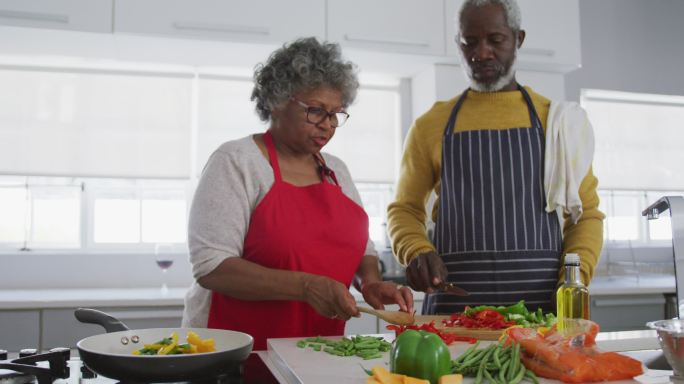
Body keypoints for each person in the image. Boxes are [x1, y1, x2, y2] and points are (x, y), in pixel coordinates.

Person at [182, 37, 413, 350]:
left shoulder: (337, 171)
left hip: (318, 352)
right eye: (316, 111)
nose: (327, 126)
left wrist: (370, 282)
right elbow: (211, 267)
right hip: (235, 356)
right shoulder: (238, 162)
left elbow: (363, 248)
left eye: (335, 115)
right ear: (277, 101)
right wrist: (306, 286)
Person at [387, 0, 604, 314]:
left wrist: (573, 279)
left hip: (542, 311)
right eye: (469, 42)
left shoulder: (558, 123)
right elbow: (404, 209)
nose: (482, 52)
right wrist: (416, 251)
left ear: (519, 39)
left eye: (496, 40)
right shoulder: (430, 125)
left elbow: (587, 216)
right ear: (458, 45)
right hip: (454, 310)